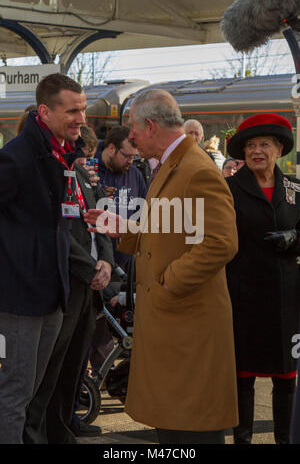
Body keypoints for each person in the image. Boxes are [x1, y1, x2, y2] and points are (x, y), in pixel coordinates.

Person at [84, 89, 239, 444]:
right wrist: (126, 229)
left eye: (133, 129)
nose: (131, 138)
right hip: (176, 325)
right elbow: (176, 225)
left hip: (187, 325)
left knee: (191, 430)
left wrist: (169, 282)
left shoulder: (195, 168)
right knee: (176, 426)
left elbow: (221, 241)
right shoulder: (176, 164)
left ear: (150, 126)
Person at [0, 73, 86, 444]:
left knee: (31, 393)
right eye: (72, 111)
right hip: (20, 298)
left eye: (83, 109)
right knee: (15, 395)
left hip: (53, 295)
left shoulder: (63, 154)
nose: (81, 118)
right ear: (45, 112)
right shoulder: (15, 158)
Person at [23, 152, 114, 444]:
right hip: (65, 283)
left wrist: (107, 263)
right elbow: (57, 233)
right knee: (51, 366)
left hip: (90, 286)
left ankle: (63, 425)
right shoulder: (44, 175)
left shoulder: (83, 175)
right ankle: (36, 431)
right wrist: (90, 268)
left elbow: (101, 221)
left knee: (74, 363)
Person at [225, 113, 300, 444]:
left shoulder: (295, 189)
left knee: (286, 377)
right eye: (250, 145)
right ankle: (242, 439)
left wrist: (294, 238)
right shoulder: (227, 189)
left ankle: (284, 440)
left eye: (264, 144)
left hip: (286, 298)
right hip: (242, 295)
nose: (257, 151)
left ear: (279, 148)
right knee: (243, 376)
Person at [95, 125, 148, 271]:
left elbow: (145, 213)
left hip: (127, 261)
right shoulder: (89, 170)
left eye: (134, 156)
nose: (130, 161)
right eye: (126, 156)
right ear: (112, 148)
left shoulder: (135, 174)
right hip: (97, 260)